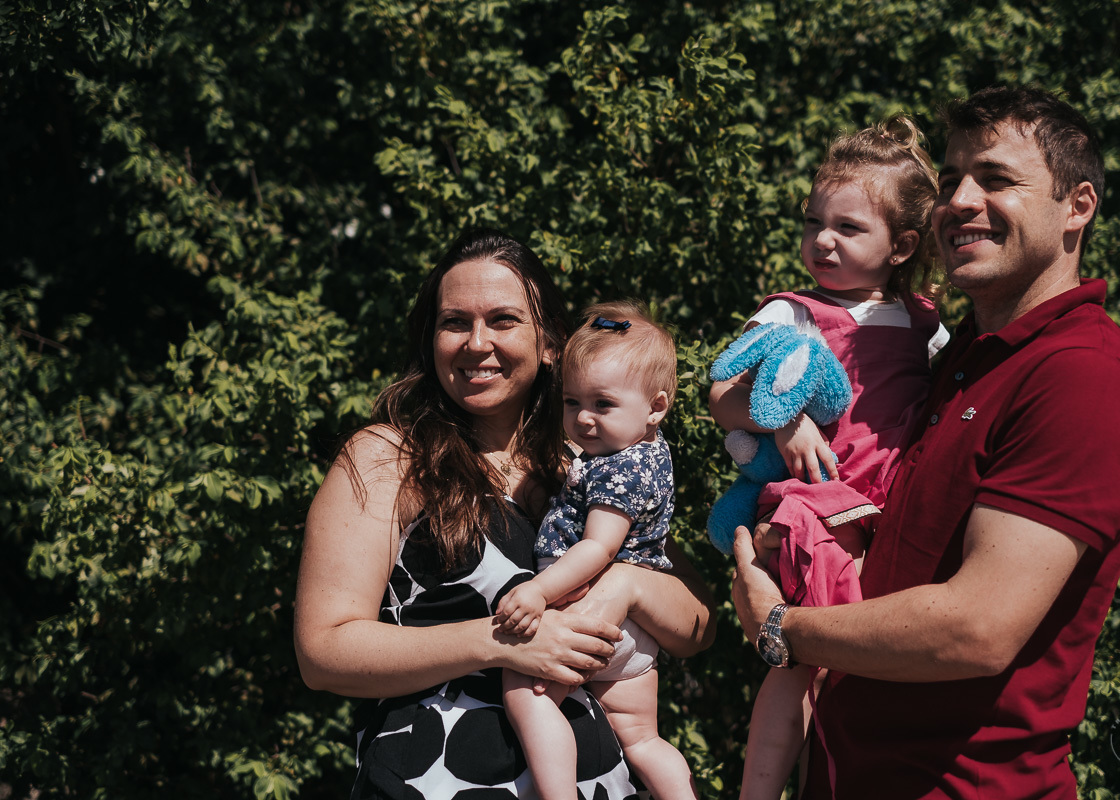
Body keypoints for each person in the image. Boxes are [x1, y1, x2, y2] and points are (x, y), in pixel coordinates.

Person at [731, 86, 1120, 800]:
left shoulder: (1085, 374)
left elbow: (976, 627)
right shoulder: (961, 356)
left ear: (1077, 207)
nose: (959, 199)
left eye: (995, 178)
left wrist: (782, 627)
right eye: (954, 178)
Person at [293, 229, 715, 799]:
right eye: (454, 322)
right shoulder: (387, 457)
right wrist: (496, 641)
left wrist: (625, 585)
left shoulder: (590, 464)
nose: (476, 342)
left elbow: (697, 628)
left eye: (503, 320)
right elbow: (324, 653)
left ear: (550, 345)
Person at [709, 115, 948, 800]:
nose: (823, 241)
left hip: (889, 511)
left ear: (902, 245)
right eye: (814, 223)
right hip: (816, 508)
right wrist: (781, 425)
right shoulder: (793, 314)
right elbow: (720, 392)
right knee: (803, 660)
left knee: (863, 671)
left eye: (847, 229)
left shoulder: (925, 322)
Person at [498, 300, 698, 800]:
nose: (584, 419)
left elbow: (597, 547)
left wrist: (537, 593)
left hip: (590, 613)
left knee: (525, 691)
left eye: (602, 405)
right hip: (634, 640)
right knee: (645, 740)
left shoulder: (618, 469)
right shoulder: (646, 454)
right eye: (572, 403)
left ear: (656, 406)